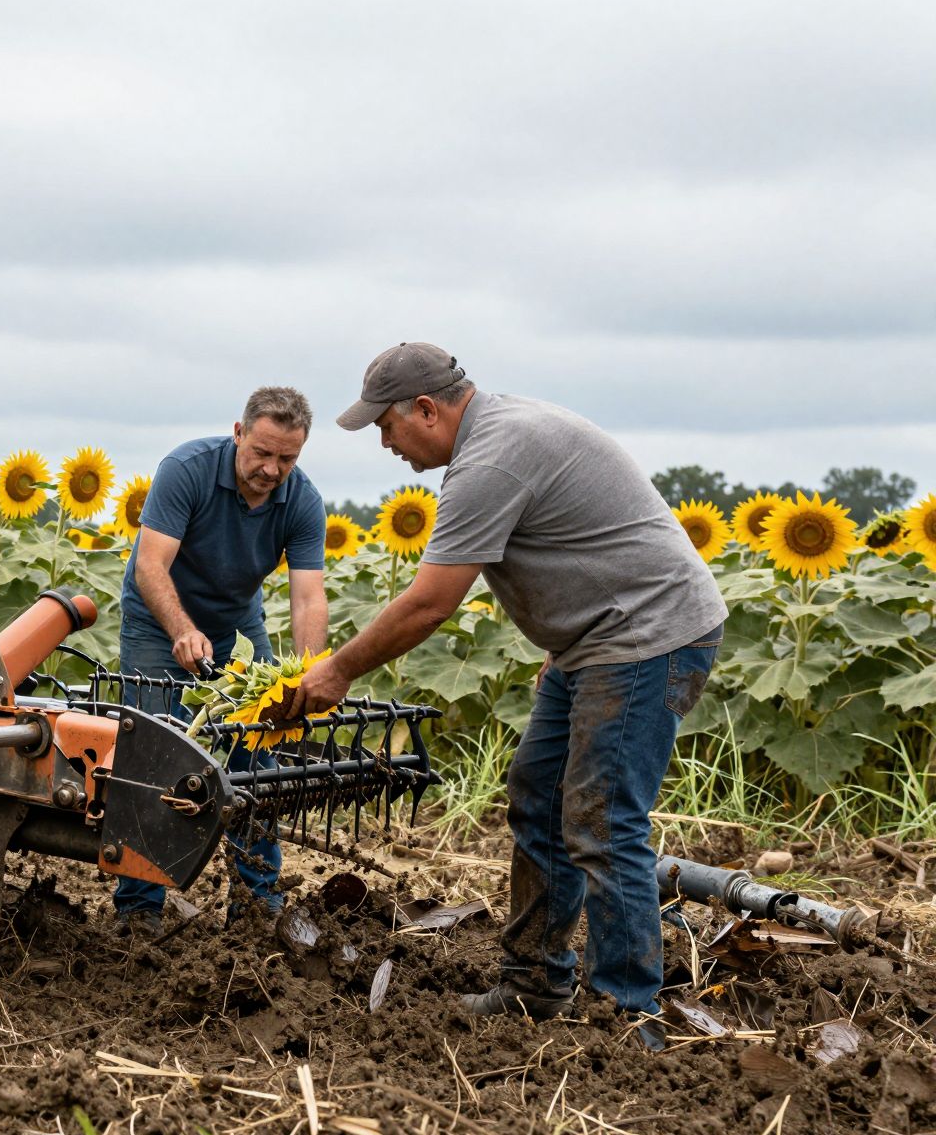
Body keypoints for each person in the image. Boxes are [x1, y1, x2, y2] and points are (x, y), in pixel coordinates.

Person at [287, 343, 725, 1023]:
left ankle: (626, 1014)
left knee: (603, 822)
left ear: (426, 410)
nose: (383, 442)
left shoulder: (490, 459)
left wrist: (339, 669)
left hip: (648, 638)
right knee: (539, 796)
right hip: (594, 642)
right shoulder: (499, 435)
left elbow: (432, 602)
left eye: (385, 425)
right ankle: (535, 985)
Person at [114, 386, 330, 930]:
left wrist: (307, 677)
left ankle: (257, 906)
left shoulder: (301, 500)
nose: (272, 468)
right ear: (239, 432)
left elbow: (308, 596)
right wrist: (182, 632)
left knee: (254, 763)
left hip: (237, 622)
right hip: (157, 622)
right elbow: (150, 567)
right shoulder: (186, 470)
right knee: (158, 756)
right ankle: (139, 912)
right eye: (262, 452)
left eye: (287, 458)